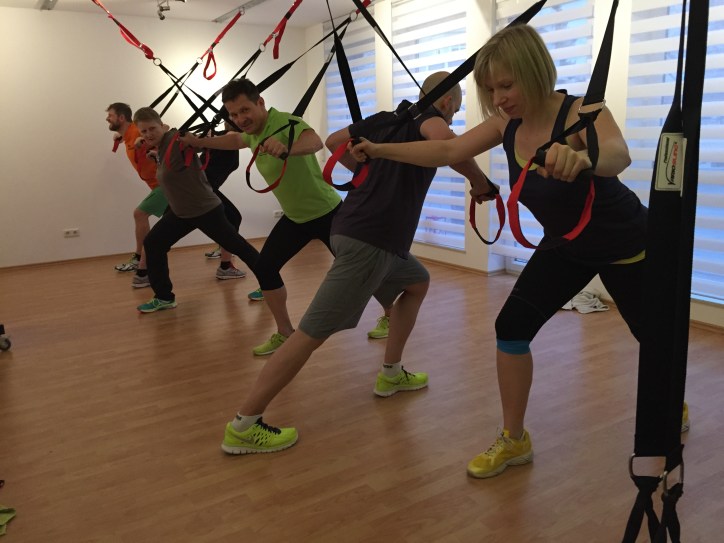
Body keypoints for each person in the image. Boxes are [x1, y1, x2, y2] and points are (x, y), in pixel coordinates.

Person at [350, 24, 686, 479]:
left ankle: (672, 402)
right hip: (566, 246)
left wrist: (585, 159)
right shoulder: (505, 124)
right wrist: (380, 149)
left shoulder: (582, 111)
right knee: (510, 327)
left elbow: (618, 154)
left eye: (506, 85)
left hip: (627, 245)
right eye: (491, 89)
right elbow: (447, 148)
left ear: (533, 71)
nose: (499, 98)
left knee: (651, 335)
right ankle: (514, 440)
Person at [217, 72, 495, 454]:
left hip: (354, 229)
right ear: (447, 102)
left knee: (417, 282)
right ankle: (244, 425)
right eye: (457, 109)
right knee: (309, 334)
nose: (453, 116)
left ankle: (391, 373)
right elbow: (449, 146)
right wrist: (480, 182)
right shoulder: (431, 120)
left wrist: (366, 170)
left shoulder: (384, 119)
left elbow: (333, 142)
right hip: (371, 241)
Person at [180, 78, 390, 355]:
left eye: (245, 110)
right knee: (265, 267)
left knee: (361, 268)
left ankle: (391, 313)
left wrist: (287, 148)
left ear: (260, 103)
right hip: (295, 219)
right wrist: (197, 141)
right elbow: (235, 140)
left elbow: (314, 141)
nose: (240, 119)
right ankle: (284, 332)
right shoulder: (252, 133)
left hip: (327, 214)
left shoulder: (286, 123)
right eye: (234, 114)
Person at [132, 107, 261, 313]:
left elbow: (197, 143)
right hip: (181, 212)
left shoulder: (178, 140)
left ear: (162, 126)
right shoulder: (161, 146)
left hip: (205, 210)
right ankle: (164, 297)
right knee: (153, 243)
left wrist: (200, 140)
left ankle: (269, 282)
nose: (148, 134)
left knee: (238, 246)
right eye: (143, 131)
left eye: (152, 129)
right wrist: (149, 147)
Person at [106, 104, 245, 286]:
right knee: (231, 219)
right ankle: (144, 271)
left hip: (201, 189)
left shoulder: (224, 138)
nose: (238, 119)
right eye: (234, 115)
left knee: (232, 219)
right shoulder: (221, 136)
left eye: (239, 114)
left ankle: (224, 263)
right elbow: (171, 134)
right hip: (199, 190)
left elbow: (229, 139)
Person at [106, 103, 167, 287]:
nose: (107, 118)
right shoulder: (128, 135)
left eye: (110, 115)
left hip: (166, 185)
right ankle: (143, 266)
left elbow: (164, 129)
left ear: (121, 118)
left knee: (140, 214)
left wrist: (144, 140)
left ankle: (142, 265)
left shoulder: (136, 131)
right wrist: (121, 137)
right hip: (157, 186)